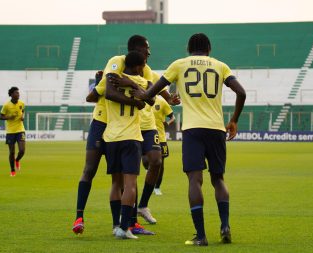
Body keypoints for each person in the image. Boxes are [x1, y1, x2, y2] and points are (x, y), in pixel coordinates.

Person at [133, 33, 246, 246]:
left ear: (188, 49)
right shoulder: (220, 66)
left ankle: (201, 236)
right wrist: (233, 120)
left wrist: (143, 94)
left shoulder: (179, 65)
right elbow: (241, 92)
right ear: (209, 49)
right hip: (216, 128)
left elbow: (152, 92)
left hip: (193, 130)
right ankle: (225, 225)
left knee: (195, 180)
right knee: (218, 179)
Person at [104, 50, 153, 239]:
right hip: (131, 137)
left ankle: (116, 225)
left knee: (116, 183)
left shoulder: (113, 79)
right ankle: (125, 228)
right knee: (130, 184)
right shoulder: (140, 82)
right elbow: (151, 98)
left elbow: (101, 93)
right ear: (139, 66)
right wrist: (137, 98)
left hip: (111, 137)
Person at [72, 70, 105, 234]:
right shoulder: (106, 77)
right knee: (89, 169)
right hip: (99, 125)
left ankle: (120, 222)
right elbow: (92, 96)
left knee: (120, 175)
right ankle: (79, 217)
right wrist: (100, 81)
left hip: (120, 127)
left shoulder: (129, 77)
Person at [152, 92, 175, 195]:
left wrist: (168, 123)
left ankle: (157, 187)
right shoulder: (141, 100)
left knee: (161, 164)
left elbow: (172, 117)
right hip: (145, 136)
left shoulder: (161, 101)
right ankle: (150, 174)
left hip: (160, 138)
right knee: (146, 161)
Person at [0, 87, 26, 177]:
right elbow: (1, 117)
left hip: (20, 130)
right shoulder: (6, 105)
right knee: (11, 152)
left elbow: (23, 111)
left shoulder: (21, 103)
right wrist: (9, 117)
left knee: (22, 151)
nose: (18, 94)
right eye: (16, 93)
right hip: (10, 132)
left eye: (18, 93)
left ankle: (17, 160)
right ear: (11, 94)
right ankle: (12, 170)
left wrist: (23, 116)